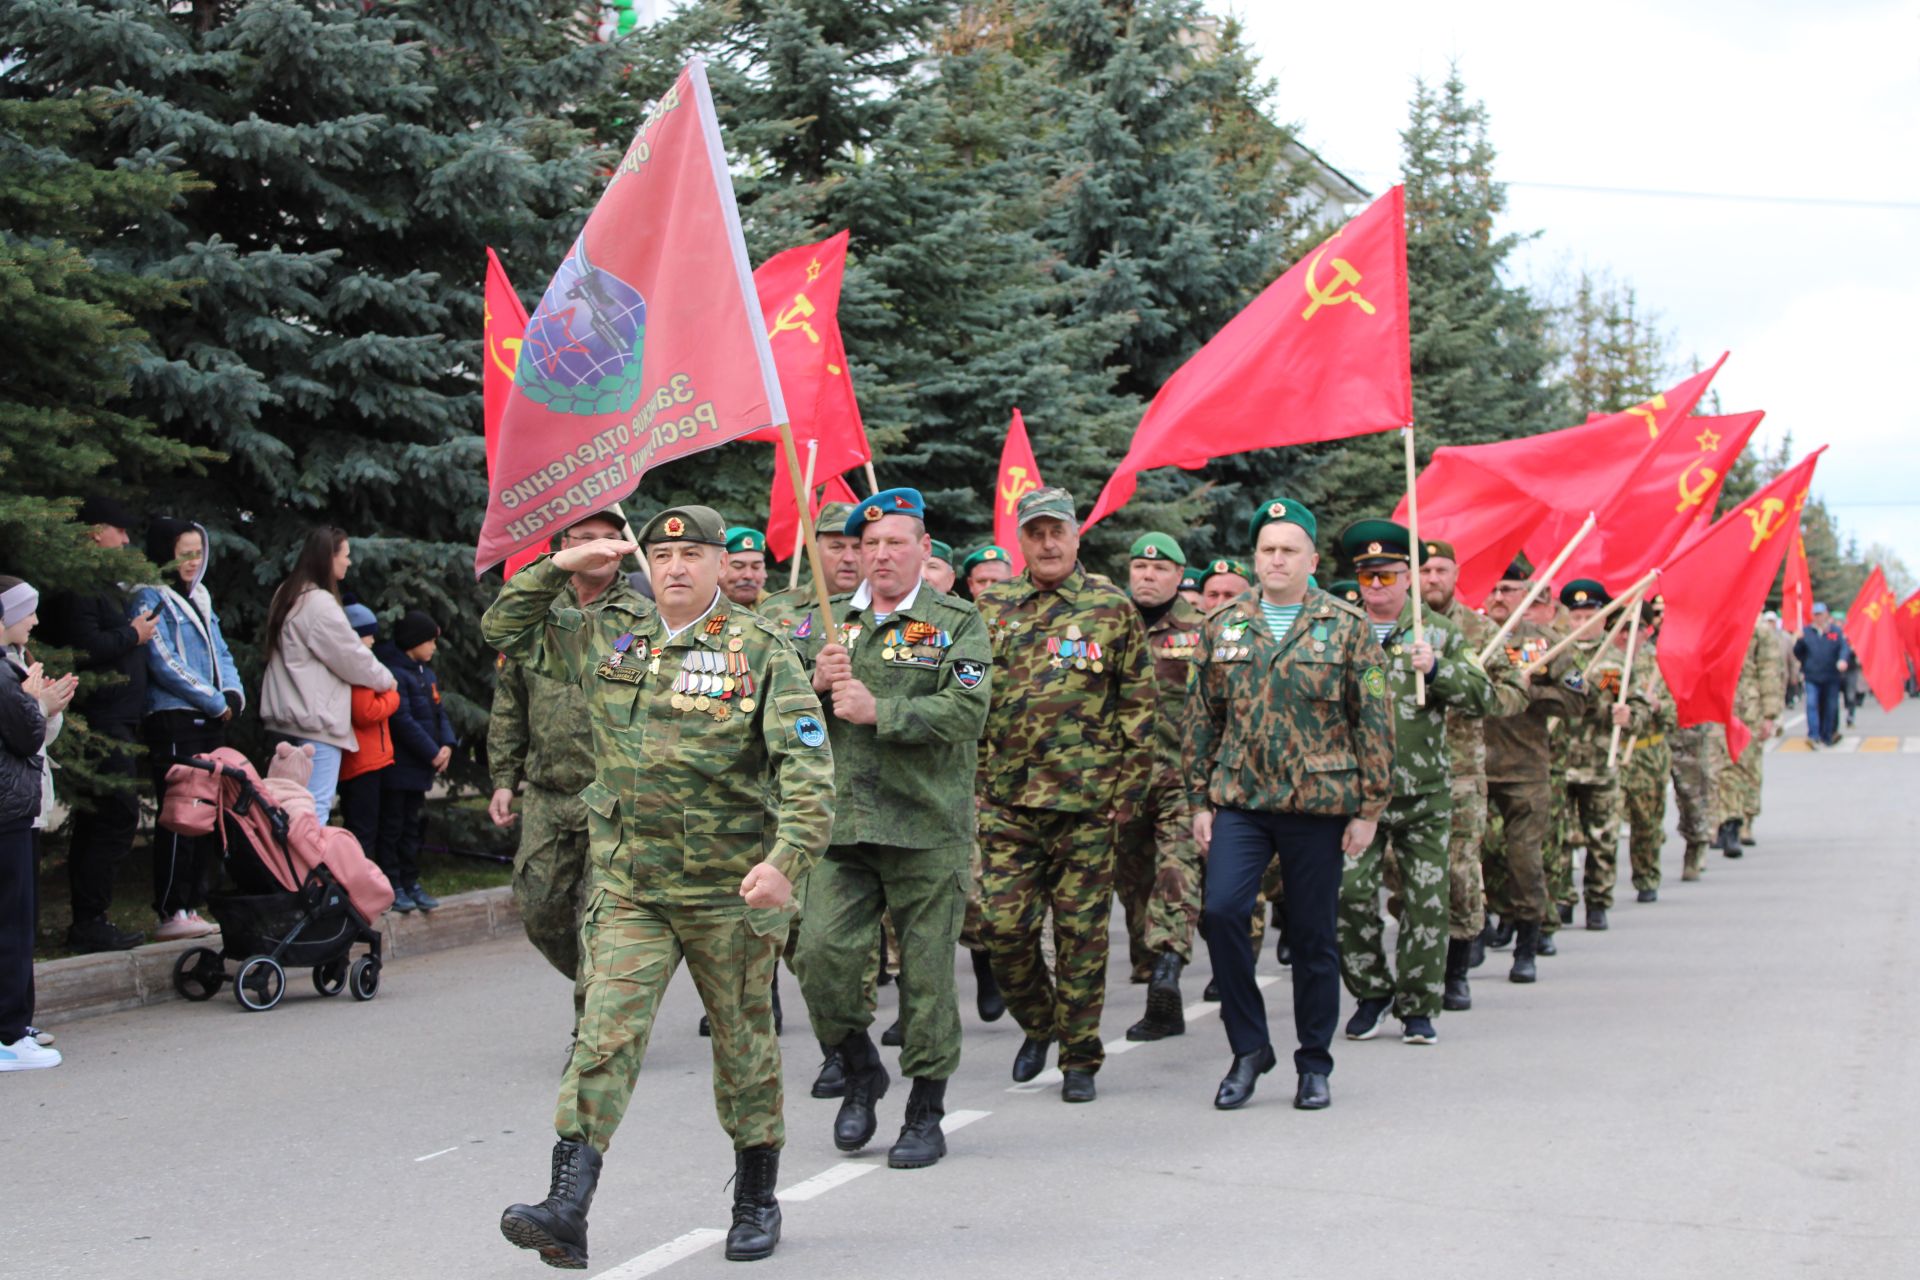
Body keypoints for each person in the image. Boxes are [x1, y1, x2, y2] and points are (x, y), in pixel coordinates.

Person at [484, 506, 833, 1267]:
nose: (676, 567)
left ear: (718, 565)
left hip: (726, 890)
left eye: (692, 554)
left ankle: (754, 1199)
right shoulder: (611, 637)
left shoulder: (761, 648)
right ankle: (567, 1207)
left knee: (744, 1050)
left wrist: (786, 861)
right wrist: (566, 564)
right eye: (663, 553)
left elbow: (808, 770)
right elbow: (502, 630)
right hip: (630, 883)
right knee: (603, 1036)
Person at [793, 488, 991, 1169]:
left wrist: (884, 710)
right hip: (842, 828)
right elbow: (785, 722)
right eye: (867, 545)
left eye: (893, 543)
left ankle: (925, 1108)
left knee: (927, 978)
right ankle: (858, 1066)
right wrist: (808, 685)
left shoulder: (958, 624)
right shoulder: (827, 623)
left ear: (923, 550)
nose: (878, 555)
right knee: (818, 955)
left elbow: (968, 711)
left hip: (926, 825)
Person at [1186, 499, 1392, 1111]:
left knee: (1312, 939)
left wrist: (1370, 808)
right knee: (1221, 913)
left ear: (1312, 559)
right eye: (1267, 550)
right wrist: (1199, 798)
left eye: (1288, 550)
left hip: (1319, 803)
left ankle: (1313, 1062)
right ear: (1256, 558)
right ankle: (1250, 1049)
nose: (1276, 560)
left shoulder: (1347, 626)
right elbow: (1203, 720)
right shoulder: (1222, 624)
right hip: (1242, 801)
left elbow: (1373, 721)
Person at [974, 487, 1152, 1104]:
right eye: (1035, 533)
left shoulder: (1111, 608)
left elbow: (1138, 705)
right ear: (1020, 540)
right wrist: (977, 783)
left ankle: (1080, 1056)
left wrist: (1125, 794)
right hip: (1007, 804)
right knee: (1001, 930)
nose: (1048, 543)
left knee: (1082, 938)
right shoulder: (992, 607)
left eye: (1058, 532)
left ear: (1077, 536)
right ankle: (1039, 1023)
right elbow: (968, 702)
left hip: (1087, 806)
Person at [1334, 521, 1495, 1046]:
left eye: (1387, 577)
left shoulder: (1439, 633)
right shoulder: (1339, 630)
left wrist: (1440, 668)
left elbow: (1484, 696)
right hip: (1360, 796)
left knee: (1427, 901)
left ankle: (1419, 1005)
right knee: (1350, 894)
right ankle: (1371, 993)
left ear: (1408, 579)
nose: (1377, 587)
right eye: (1368, 577)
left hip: (1424, 791)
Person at [489, 509, 645, 996]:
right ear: (564, 547)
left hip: (616, 795)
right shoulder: (537, 610)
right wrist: (502, 778)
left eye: (608, 538)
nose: (599, 547)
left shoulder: (644, 612)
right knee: (540, 909)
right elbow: (511, 700)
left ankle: (596, 1020)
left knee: (604, 919)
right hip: (548, 792)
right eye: (585, 538)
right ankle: (610, 992)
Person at [41, 497, 154, 951]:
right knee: (113, 815)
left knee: (110, 816)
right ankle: (89, 921)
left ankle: (92, 919)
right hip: (103, 719)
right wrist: (133, 634)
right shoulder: (79, 588)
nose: (126, 540)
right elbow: (85, 646)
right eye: (120, 530)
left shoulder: (98, 584)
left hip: (118, 717)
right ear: (95, 531)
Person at [1115, 532, 1206, 1042]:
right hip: (1124, 783)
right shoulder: (1110, 626)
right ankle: (1155, 982)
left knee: (1176, 872)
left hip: (1182, 781)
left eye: (1160, 569)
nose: (1148, 576)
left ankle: (1168, 972)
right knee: (1135, 892)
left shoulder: (1202, 631)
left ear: (1178, 575)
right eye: (1140, 567)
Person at [134, 517, 244, 941]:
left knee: (206, 813)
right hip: (175, 715)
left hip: (210, 717)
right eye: (184, 552)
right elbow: (162, 659)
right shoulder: (149, 594)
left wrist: (233, 694)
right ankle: (171, 906)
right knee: (180, 811)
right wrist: (214, 699)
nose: (192, 561)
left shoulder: (201, 595)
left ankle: (193, 901)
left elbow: (220, 650)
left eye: (198, 551)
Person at [1416, 540, 1514, 1012]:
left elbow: (1510, 694)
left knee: (1458, 872)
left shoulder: (1482, 630)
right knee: (1404, 874)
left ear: (1456, 574)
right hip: (1403, 773)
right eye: (1424, 570)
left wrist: (1471, 688)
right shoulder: (1395, 627)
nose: (1432, 578)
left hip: (1459, 772)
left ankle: (1455, 971)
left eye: (1440, 570)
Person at [1479, 561, 1588, 982]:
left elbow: (1579, 700)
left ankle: (1528, 942)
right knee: (1478, 855)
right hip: (1475, 768)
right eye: (1493, 590)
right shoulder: (1468, 641)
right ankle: (1478, 930)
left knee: (1524, 859)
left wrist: (1531, 692)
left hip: (1525, 769)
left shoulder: (1546, 644)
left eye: (1509, 589)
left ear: (1526, 595)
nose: (1499, 598)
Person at [259, 526, 397, 823]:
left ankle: (285, 870)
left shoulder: (287, 594)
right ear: (328, 558)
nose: (349, 562)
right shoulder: (319, 603)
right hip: (314, 725)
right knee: (312, 811)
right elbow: (352, 656)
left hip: (286, 721)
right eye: (345, 555)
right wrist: (387, 680)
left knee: (284, 810)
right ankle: (305, 870)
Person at [3, 575, 75, 1071]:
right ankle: (8, 1036)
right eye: (26, 611)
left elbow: (32, 732)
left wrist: (43, 704)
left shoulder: (12, 666)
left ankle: (15, 1024)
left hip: (15, 809)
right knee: (12, 922)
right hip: (7, 811)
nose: (34, 620)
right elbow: (25, 735)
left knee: (17, 920)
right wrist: (39, 704)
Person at [1556, 581, 1652, 931]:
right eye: (1576, 615)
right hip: (1559, 761)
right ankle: (1562, 898)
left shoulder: (1617, 658)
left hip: (1600, 762)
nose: (1582, 621)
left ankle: (1597, 900)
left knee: (1601, 836)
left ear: (1603, 618)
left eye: (1589, 615)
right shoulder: (1555, 653)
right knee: (1560, 837)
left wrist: (1630, 717)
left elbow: (1639, 704)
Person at [375, 610, 454, 914]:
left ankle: (411, 881)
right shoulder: (396, 674)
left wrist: (446, 744)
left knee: (412, 827)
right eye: (430, 641)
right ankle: (391, 883)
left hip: (420, 767)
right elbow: (402, 721)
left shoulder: (426, 674)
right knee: (393, 826)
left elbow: (439, 712)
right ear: (413, 642)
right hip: (400, 767)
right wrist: (431, 752)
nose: (434, 647)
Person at [1617, 606, 1678, 902]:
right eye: (1621, 629)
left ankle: (1646, 877)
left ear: (1645, 631)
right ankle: (1596, 891)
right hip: (1610, 753)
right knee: (1601, 824)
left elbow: (1676, 710)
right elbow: (1589, 690)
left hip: (1648, 752)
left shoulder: (1659, 664)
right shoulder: (1606, 662)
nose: (1627, 635)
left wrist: (1657, 706)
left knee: (1647, 821)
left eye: (1634, 629)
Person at [1714, 614, 1786, 856]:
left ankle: (1746, 819)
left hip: (1749, 709)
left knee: (1748, 766)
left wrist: (1770, 714)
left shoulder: (1759, 630)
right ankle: (1721, 821)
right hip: (1716, 705)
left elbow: (1769, 672)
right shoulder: (1714, 623)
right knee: (1716, 767)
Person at [336, 603, 399, 873]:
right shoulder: (359, 670)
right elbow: (366, 712)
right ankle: (359, 883)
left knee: (373, 824)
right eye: (368, 634)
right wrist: (393, 696)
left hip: (375, 758)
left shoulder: (367, 666)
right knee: (363, 828)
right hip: (363, 761)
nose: (373, 640)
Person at [1794, 604, 1850, 747]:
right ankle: (1813, 735)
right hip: (1812, 675)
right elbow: (1798, 653)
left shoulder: (1834, 632)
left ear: (1826, 614)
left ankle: (1828, 734)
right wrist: (1799, 641)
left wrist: (1843, 660)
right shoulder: (1806, 632)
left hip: (1831, 676)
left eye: (1821, 614)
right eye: (1816, 614)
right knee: (1812, 704)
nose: (1819, 617)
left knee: (1830, 706)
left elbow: (1844, 647)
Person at [721, 527, 770, 607]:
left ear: (765, 572)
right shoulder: (697, 610)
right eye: (738, 566)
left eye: (756, 567)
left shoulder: (780, 612)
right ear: (718, 569)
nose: (748, 575)